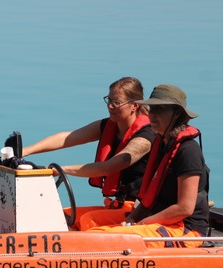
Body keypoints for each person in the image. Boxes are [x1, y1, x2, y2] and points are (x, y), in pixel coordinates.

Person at [22, 77, 155, 230]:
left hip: (138, 210)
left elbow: (109, 167)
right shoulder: (108, 126)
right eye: (108, 100)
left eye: (117, 102)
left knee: (88, 220)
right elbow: (67, 138)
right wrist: (25, 151)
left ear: (134, 106)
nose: (110, 106)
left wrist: (61, 170)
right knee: (57, 215)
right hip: (117, 204)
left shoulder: (147, 135)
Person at [88, 84, 210, 248]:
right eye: (151, 109)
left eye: (160, 110)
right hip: (157, 218)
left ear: (177, 114)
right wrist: (133, 218)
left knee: (101, 238)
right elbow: (147, 200)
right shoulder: (161, 143)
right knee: (88, 222)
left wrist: (143, 223)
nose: (152, 115)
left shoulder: (188, 151)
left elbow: (184, 209)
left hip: (184, 228)